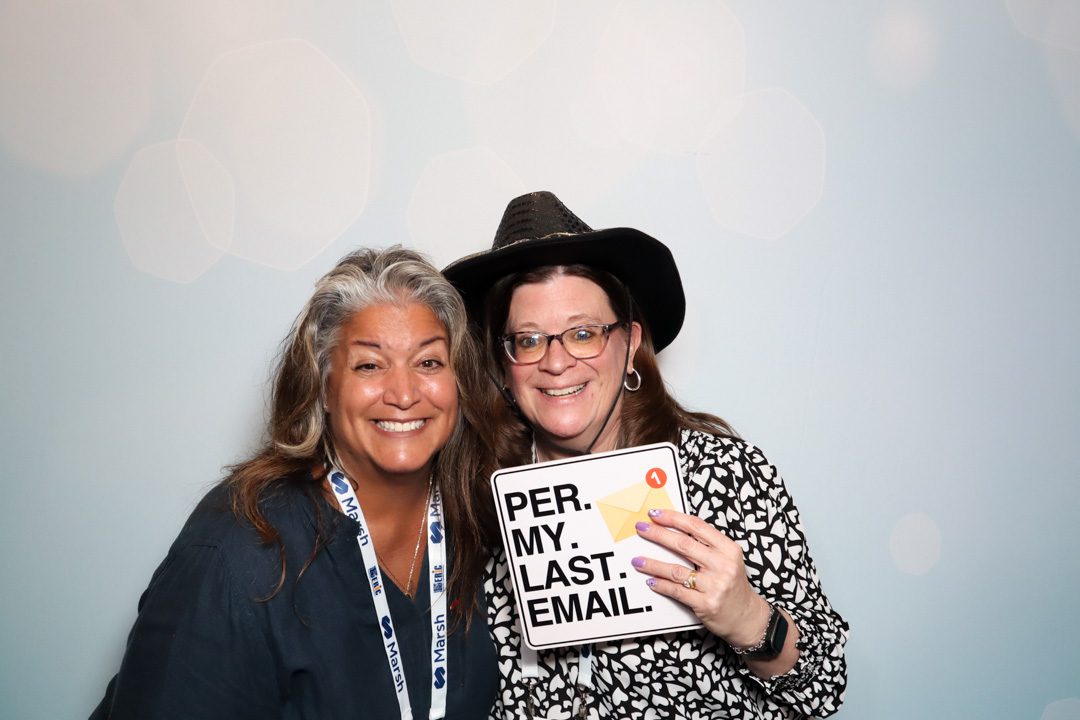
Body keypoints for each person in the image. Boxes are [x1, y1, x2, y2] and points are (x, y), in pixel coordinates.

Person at [443, 192, 848, 719]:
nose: (556, 362)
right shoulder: (474, 493)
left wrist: (749, 617)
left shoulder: (722, 474)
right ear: (503, 361)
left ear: (630, 342)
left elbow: (822, 688)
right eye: (528, 340)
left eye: (583, 334)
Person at [91, 247, 499, 720]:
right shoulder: (238, 551)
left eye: (428, 363)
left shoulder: (476, 520)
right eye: (369, 365)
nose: (405, 394)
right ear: (323, 387)